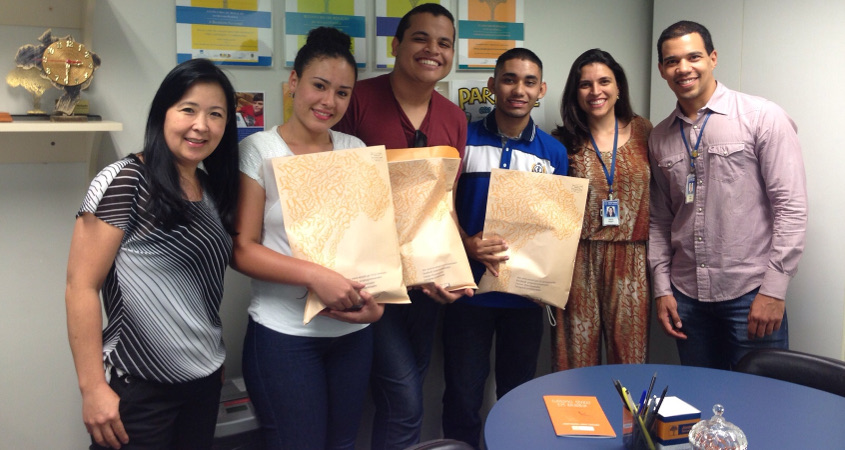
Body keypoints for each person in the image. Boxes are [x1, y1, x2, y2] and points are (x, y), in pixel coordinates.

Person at [65, 58, 240, 449]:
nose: (202, 125)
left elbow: (199, 289)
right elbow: (80, 286)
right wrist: (92, 387)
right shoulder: (125, 180)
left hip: (203, 382)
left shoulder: (210, 189)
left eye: (216, 114)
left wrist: (207, 356)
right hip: (140, 386)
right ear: (163, 112)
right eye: (188, 109)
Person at [232, 27, 383, 450]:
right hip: (284, 337)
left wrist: (378, 308)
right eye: (319, 85)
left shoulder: (355, 149)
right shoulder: (260, 150)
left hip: (351, 335)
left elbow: (372, 244)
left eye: (342, 93)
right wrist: (316, 276)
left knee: (343, 444)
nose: (329, 101)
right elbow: (242, 249)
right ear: (294, 82)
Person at [333, 4, 470, 449]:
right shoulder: (356, 100)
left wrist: (452, 270)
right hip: (370, 284)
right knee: (405, 399)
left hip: (426, 286)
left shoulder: (454, 118)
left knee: (404, 395)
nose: (433, 50)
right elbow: (334, 197)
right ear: (396, 45)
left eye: (444, 43)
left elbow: (445, 205)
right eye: (420, 38)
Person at [649, 21, 807, 369]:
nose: (683, 68)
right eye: (672, 61)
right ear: (662, 69)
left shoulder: (762, 117)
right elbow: (660, 220)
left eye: (693, 57)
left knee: (759, 396)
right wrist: (662, 289)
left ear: (713, 58)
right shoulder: (659, 137)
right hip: (686, 297)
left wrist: (774, 290)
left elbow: (790, 208)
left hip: (751, 294)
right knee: (700, 397)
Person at [444, 48, 568, 449]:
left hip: (524, 299)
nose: (519, 90)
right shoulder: (462, 139)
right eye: (509, 79)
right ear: (492, 85)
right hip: (468, 293)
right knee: (463, 394)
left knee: (517, 395)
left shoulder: (553, 152)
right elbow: (439, 209)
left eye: (529, 82)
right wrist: (467, 244)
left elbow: (556, 229)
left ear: (541, 90)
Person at [550, 49, 652, 370]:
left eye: (604, 81)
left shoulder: (645, 132)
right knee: (576, 360)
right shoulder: (562, 141)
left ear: (618, 86)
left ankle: (627, 408)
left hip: (631, 258)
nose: (596, 91)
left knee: (630, 359)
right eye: (585, 84)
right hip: (577, 259)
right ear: (575, 92)